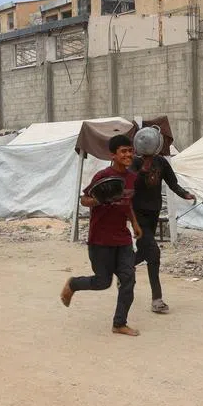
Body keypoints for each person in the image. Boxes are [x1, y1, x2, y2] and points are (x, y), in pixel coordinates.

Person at [60, 135, 143, 337]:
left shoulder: (132, 178)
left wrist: (134, 223)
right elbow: (84, 200)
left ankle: (119, 323)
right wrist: (100, 199)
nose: (128, 154)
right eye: (123, 151)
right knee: (102, 282)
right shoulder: (102, 176)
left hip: (122, 239)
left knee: (128, 279)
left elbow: (128, 203)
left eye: (130, 150)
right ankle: (73, 284)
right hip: (100, 239)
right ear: (113, 155)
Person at [130, 150, 194, 314]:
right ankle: (157, 299)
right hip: (137, 215)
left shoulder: (161, 163)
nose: (148, 158)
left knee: (145, 251)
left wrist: (184, 194)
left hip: (153, 213)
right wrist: (143, 168)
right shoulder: (134, 163)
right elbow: (128, 184)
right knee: (154, 253)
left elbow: (172, 183)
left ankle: (124, 266)